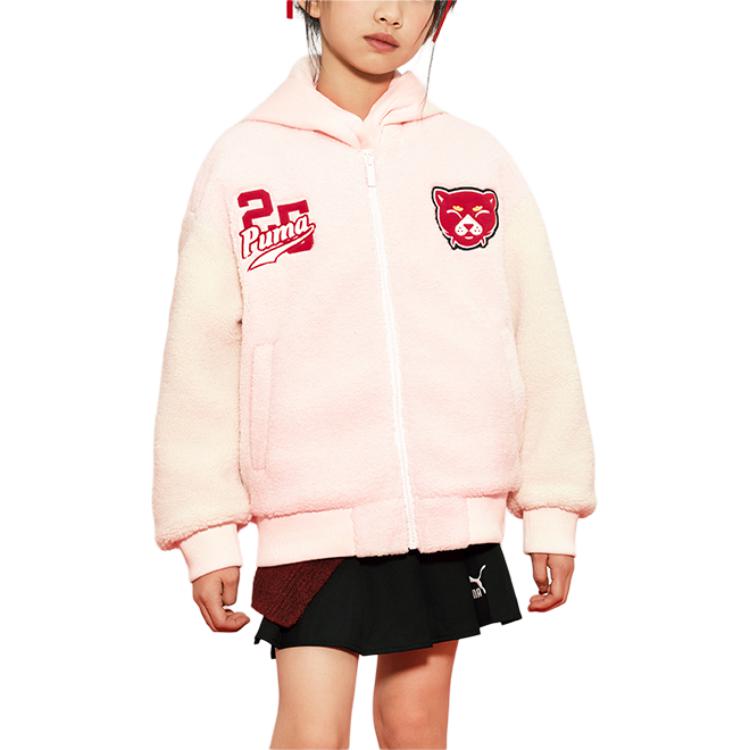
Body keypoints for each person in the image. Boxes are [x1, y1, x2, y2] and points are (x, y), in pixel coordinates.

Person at [151, 1, 597, 747]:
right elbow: (199, 359)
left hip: (448, 512)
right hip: (309, 512)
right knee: (313, 732)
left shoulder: (474, 159)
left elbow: (538, 335)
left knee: (415, 723)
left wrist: (551, 505)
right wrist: (207, 531)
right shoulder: (243, 163)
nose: (391, 12)